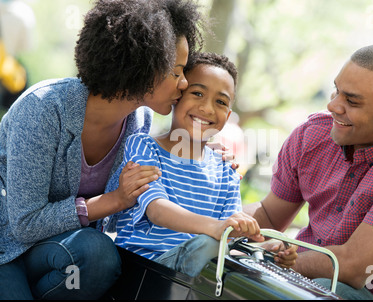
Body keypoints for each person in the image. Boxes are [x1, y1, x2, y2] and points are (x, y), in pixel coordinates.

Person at [0, 0, 204, 300]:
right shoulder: (44, 108)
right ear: (141, 65)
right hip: (7, 247)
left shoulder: (139, 122)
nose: (184, 83)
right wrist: (112, 200)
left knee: (98, 256)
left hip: (59, 256)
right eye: (176, 72)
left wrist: (207, 156)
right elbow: (25, 223)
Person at [244, 42, 373, 300]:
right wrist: (217, 225)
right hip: (300, 281)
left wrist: (269, 258)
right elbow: (269, 215)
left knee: (326, 289)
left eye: (351, 100)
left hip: (361, 294)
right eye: (336, 91)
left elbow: (354, 268)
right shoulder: (313, 134)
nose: (333, 106)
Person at [105, 52, 295, 277]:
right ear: (177, 96)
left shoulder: (226, 170)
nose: (207, 108)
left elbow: (226, 240)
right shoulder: (144, 146)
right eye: (197, 93)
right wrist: (215, 228)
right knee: (209, 245)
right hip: (145, 270)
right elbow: (156, 210)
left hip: (197, 274)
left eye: (221, 102)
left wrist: (267, 250)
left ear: (229, 114)